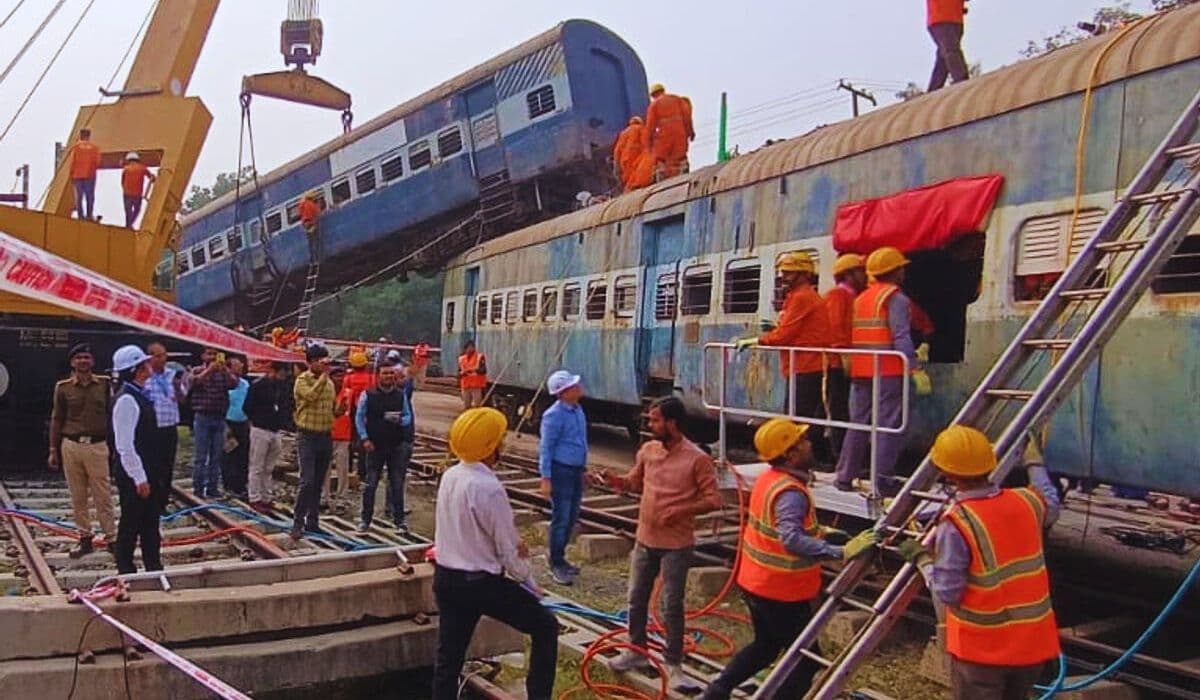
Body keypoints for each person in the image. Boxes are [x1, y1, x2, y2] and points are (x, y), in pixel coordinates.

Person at [701, 418, 879, 700]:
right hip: (780, 591)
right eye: (803, 441)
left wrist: (824, 532)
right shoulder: (790, 493)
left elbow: (782, 528)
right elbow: (791, 539)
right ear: (791, 454)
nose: (810, 444)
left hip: (756, 583)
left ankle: (716, 691)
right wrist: (840, 552)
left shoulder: (770, 480)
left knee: (766, 646)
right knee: (805, 660)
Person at [899, 426, 1061, 700]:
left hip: (983, 653)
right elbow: (1052, 501)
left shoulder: (958, 523)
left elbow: (948, 592)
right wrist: (1034, 463)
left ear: (948, 474)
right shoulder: (1027, 501)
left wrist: (923, 560)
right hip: (1032, 647)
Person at [432, 407, 558, 700]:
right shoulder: (488, 487)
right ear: (491, 448)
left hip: (447, 579)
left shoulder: (451, 475)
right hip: (480, 584)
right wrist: (527, 580)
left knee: (448, 658)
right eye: (500, 440)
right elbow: (508, 549)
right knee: (545, 626)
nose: (503, 444)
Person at [600, 397, 722, 692]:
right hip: (645, 539)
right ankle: (636, 651)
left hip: (676, 545)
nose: (650, 425)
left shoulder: (697, 459)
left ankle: (674, 664)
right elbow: (634, 482)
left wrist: (681, 511)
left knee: (671, 606)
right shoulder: (648, 451)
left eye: (655, 420)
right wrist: (615, 481)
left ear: (672, 423)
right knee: (635, 597)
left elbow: (713, 500)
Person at [835, 247, 929, 496]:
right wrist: (914, 367)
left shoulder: (862, 298)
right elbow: (900, 336)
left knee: (858, 423)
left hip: (861, 369)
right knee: (888, 424)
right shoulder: (895, 298)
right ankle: (882, 479)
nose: (904, 272)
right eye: (901, 268)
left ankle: (844, 476)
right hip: (887, 369)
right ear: (895, 271)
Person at [738, 251, 835, 464]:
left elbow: (785, 335)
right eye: (783, 272)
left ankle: (800, 458)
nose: (783, 276)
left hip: (806, 365)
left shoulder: (802, 297)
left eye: (789, 273)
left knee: (799, 417)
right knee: (804, 415)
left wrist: (756, 341)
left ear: (804, 274)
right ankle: (810, 457)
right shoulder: (800, 297)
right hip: (803, 364)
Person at [47, 343, 114, 557]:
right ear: (72, 363)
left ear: (92, 361)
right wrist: (53, 449)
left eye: (87, 357)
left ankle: (111, 537)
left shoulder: (104, 385)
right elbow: (57, 419)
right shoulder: (63, 387)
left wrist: (115, 446)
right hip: (72, 444)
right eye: (79, 358)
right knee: (78, 495)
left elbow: (112, 415)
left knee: (102, 494)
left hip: (97, 444)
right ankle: (85, 538)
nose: (83, 361)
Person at [110, 345, 170, 575]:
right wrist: (139, 478)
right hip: (134, 472)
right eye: (145, 363)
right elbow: (125, 444)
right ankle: (125, 568)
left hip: (145, 469)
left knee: (149, 522)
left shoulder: (137, 394)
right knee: (131, 522)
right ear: (137, 369)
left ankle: (152, 565)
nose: (149, 366)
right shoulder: (127, 400)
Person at [538, 370, 589, 585]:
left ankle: (560, 557)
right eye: (573, 386)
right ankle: (556, 562)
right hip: (561, 471)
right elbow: (546, 448)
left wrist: (584, 467)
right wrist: (546, 477)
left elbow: (581, 441)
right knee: (561, 516)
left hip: (575, 470)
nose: (578, 387)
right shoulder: (553, 415)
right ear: (563, 392)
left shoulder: (578, 411)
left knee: (571, 516)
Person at [354, 364, 415, 532]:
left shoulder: (400, 396)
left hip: (395, 446)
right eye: (385, 373)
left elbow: (408, 416)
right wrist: (364, 438)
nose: (388, 376)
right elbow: (359, 417)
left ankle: (399, 520)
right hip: (375, 446)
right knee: (371, 484)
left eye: (390, 373)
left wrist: (400, 421)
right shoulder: (368, 395)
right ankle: (365, 520)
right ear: (378, 376)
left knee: (396, 483)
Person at [823, 254, 867, 458]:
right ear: (848, 274)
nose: (865, 275)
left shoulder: (853, 297)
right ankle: (837, 452)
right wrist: (842, 355)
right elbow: (834, 328)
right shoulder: (837, 296)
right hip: (838, 362)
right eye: (860, 271)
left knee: (842, 406)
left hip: (848, 360)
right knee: (838, 407)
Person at [291, 345, 336, 539]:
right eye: (319, 360)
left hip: (325, 436)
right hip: (307, 436)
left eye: (325, 360)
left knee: (318, 482)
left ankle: (313, 521)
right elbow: (310, 396)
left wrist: (339, 411)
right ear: (310, 362)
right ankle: (298, 521)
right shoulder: (302, 380)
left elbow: (330, 408)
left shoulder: (330, 384)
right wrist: (324, 378)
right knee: (307, 481)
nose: (323, 364)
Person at [186, 347, 238, 498]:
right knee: (201, 456)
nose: (213, 357)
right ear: (203, 356)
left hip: (219, 417)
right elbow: (193, 382)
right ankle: (198, 489)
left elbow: (234, 384)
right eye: (209, 354)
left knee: (216, 456)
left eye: (215, 354)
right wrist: (209, 370)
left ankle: (212, 488)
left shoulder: (223, 373)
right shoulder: (197, 370)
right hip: (202, 416)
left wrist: (225, 370)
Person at [244, 361, 293, 513]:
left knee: (269, 467)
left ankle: (266, 496)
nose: (283, 376)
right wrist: (257, 420)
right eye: (282, 372)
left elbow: (286, 406)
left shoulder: (283, 387)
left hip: (275, 430)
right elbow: (247, 407)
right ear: (273, 370)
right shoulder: (258, 385)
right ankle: (254, 497)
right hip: (260, 428)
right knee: (257, 465)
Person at [144, 342, 185, 483]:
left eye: (164, 355)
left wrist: (178, 388)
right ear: (149, 358)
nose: (163, 359)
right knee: (152, 465)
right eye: (158, 356)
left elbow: (182, 400)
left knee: (167, 465)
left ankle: (164, 496)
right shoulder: (144, 376)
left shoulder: (172, 374)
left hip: (170, 426)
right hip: (151, 428)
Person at [644, 83, 695, 180]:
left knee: (661, 159)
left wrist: (648, 144)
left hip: (665, 135)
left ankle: (662, 176)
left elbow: (650, 126)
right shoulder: (677, 100)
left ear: (653, 95)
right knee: (681, 157)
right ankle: (683, 172)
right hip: (680, 133)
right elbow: (687, 117)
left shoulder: (654, 105)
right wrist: (690, 132)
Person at [223, 357, 251, 500]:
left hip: (243, 422)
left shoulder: (245, 384)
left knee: (243, 454)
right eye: (237, 366)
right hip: (229, 421)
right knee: (229, 455)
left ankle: (241, 485)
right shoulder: (226, 384)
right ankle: (228, 484)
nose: (240, 367)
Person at [927, 0, 970, 92]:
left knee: (943, 57)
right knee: (951, 50)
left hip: (955, 19)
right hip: (940, 18)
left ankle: (934, 87)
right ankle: (961, 79)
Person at [68, 128, 101, 220]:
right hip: (90, 175)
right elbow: (98, 162)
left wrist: (71, 173)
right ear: (89, 136)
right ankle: (89, 215)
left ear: (81, 135)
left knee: (79, 197)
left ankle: (80, 216)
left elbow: (72, 162)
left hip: (77, 175)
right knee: (89, 196)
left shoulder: (76, 147)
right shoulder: (95, 148)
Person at [120, 152, 155, 228]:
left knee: (128, 211)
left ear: (128, 160)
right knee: (136, 210)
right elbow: (151, 178)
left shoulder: (126, 169)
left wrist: (125, 189)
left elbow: (122, 182)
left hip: (127, 194)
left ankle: (128, 225)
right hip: (137, 194)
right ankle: (129, 225)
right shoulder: (142, 168)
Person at [613, 116, 647, 191]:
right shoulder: (641, 129)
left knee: (628, 178)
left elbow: (617, 151)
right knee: (636, 178)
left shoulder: (623, 133)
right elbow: (647, 146)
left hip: (625, 161)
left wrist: (616, 167)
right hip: (637, 159)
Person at [457, 339, 487, 410]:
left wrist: (472, 370)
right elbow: (458, 372)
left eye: (471, 347)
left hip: (476, 385)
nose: (470, 349)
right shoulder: (461, 358)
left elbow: (483, 370)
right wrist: (461, 374)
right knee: (466, 406)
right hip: (465, 385)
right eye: (468, 347)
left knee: (477, 406)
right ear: (465, 349)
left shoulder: (480, 357)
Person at [299, 190, 321, 259]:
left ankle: (311, 259)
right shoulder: (312, 204)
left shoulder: (302, 205)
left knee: (310, 243)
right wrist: (318, 204)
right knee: (316, 241)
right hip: (312, 224)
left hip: (305, 225)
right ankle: (317, 258)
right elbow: (318, 213)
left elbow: (300, 213)